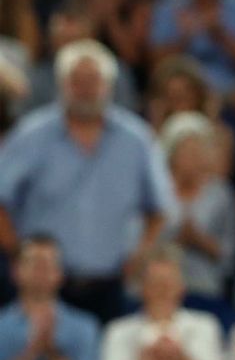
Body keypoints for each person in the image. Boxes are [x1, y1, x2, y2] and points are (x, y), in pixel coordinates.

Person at [0, 40, 175, 323]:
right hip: (43, 288)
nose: (85, 89)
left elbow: (160, 208)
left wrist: (140, 255)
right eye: (76, 81)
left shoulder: (137, 140)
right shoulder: (31, 136)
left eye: (93, 80)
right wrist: (18, 255)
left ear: (109, 85)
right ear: (61, 84)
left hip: (109, 282)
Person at [99, 247, 224, 360]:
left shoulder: (205, 326)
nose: (162, 290)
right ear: (142, 288)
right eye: (156, 283)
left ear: (182, 287)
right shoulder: (119, 330)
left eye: (168, 283)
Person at [0, 236, 98, 360]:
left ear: (61, 273)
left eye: (49, 263)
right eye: (34, 263)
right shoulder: (2, 325)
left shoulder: (84, 326)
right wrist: (30, 354)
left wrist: (51, 353)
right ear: (15, 271)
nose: (41, 270)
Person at [156, 112, 235, 302]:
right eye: (186, 150)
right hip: (156, 288)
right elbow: (137, 241)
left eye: (198, 150)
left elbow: (231, 254)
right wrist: (172, 241)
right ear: (171, 153)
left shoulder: (221, 194)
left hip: (205, 288)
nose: (193, 157)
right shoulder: (155, 191)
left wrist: (199, 240)